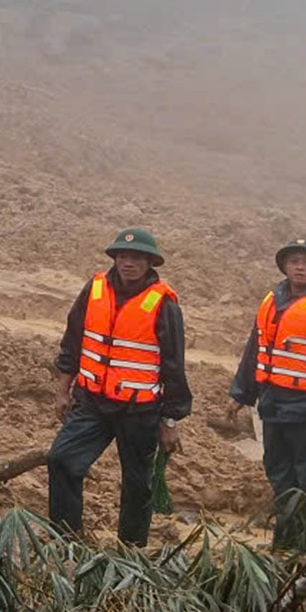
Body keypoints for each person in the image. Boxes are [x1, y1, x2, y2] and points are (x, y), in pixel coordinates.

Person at [47, 228, 190, 547]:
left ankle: (131, 549)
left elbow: (173, 366)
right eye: (123, 256)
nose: (129, 263)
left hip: (138, 410)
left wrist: (169, 421)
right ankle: (65, 541)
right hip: (92, 402)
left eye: (137, 257)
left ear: (150, 262)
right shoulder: (95, 289)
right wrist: (62, 391)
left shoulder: (164, 304)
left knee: (138, 484)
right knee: (61, 459)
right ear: (115, 258)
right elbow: (72, 342)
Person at [229, 239, 306, 552]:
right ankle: (285, 546)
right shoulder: (272, 301)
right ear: (285, 265)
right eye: (294, 260)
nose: (300, 267)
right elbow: (254, 350)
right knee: (279, 476)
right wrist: (241, 393)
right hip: (272, 407)